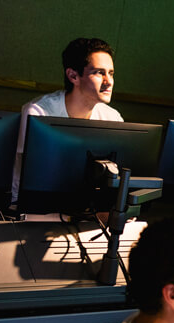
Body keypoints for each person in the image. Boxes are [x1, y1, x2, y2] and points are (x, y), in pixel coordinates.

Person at [12, 38, 122, 202]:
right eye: (99, 73)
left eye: (111, 73)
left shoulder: (113, 119)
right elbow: (26, 176)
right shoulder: (38, 113)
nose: (109, 82)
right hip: (39, 210)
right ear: (73, 76)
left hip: (87, 211)